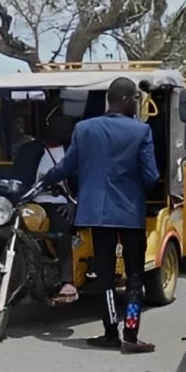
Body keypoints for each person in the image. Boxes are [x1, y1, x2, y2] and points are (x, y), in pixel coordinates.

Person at [39, 78, 161, 353]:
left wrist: (47, 179)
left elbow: (67, 166)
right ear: (129, 99)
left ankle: (109, 333)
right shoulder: (141, 131)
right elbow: (151, 176)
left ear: (110, 99)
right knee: (134, 276)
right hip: (129, 213)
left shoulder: (84, 128)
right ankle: (130, 335)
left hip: (96, 212)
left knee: (105, 275)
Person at [33, 114, 78, 302]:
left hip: (60, 202)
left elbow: (82, 180)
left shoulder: (71, 151)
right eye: (61, 124)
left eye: (68, 126)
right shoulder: (31, 149)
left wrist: (75, 202)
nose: (65, 129)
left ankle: (66, 281)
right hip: (32, 203)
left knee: (61, 227)